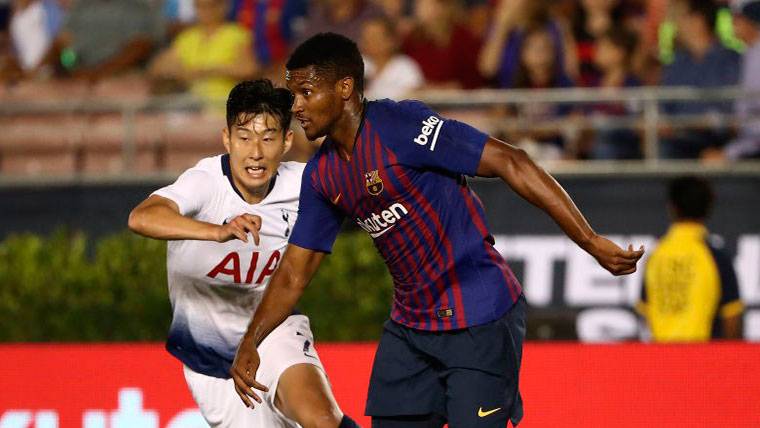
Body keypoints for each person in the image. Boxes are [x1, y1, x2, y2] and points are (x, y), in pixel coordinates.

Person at [230, 33, 644, 427]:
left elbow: (511, 161)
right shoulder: (323, 175)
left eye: (306, 92)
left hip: (479, 317)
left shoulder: (401, 126)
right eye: (293, 95)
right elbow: (294, 272)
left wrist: (589, 240)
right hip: (411, 330)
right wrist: (252, 340)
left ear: (344, 88)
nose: (297, 107)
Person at [128, 79, 359, 428]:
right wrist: (217, 231)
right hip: (211, 361)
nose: (256, 152)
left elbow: (373, 193)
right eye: (244, 137)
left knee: (321, 418)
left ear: (286, 141)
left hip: (272, 330)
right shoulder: (205, 183)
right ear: (227, 139)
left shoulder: (305, 185)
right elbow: (141, 217)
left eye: (268, 138)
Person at [638, 176, 743, 342]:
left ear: (672, 207)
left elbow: (645, 314)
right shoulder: (717, 257)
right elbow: (732, 318)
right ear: (709, 207)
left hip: (662, 354)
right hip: (703, 355)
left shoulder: (655, 257)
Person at [658, 0, 741, 159]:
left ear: (698, 20)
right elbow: (665, 105)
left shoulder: (732, 60)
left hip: (719, 139)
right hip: (679, 136)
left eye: (680, 17)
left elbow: (735, 109)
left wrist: (708, 121)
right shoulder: (677, 63)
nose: (674, 24)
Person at [148, 0, 258, 106]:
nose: (206, 11)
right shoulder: (187, 37)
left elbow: (248, 69)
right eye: (200, 6)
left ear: (223, 6)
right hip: (191, 103)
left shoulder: (237, 34)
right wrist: (180, 72)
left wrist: (209, 70)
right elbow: (159, 67)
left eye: (211, 5)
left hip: (224, 102)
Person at [703, 0, 760, 161]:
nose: (733, 22)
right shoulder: (749, 53)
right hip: (745, 144)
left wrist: (729, 153)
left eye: (738, 17)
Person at [360, 16, 424, 100]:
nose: (368, 41)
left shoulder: (405, 66)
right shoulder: (358, 63)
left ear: (391, 41)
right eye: (366, 37)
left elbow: (415, 96)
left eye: (375, 37)